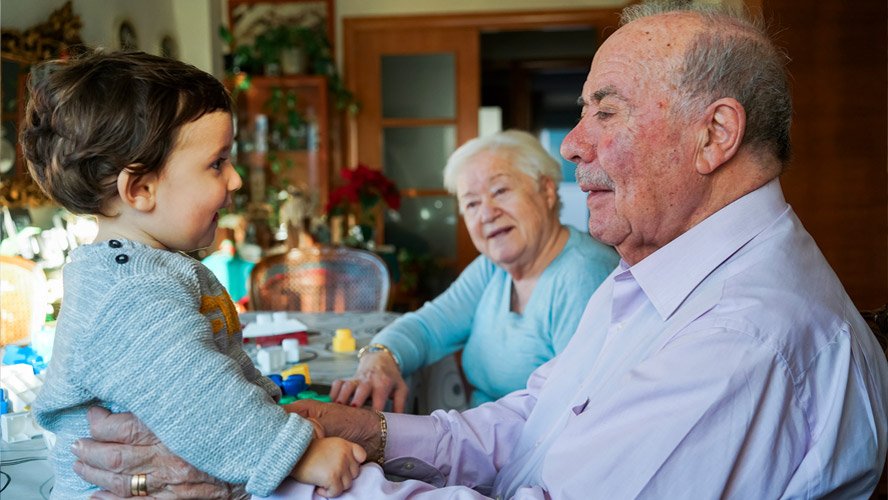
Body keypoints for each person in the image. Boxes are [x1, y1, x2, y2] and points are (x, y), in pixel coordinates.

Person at [70, 2, 888, 498]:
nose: (572, 145)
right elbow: (537, 424)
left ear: (715, 135)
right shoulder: (665, 277)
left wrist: (260, 473)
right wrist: (371, 433)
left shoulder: (742, 338)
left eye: (606, 113)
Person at [22, 50, 365, 499]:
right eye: (217, 163)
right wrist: (300, 455)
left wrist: (274, 415)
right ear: (141, 188)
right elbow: (203, 401)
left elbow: (220, 374)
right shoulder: (130, 292)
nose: (236, 179)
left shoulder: (149, 269)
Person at [331, 129, 619, 411]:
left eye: (501, 191)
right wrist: (379, 357)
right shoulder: (493, 269)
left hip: (527, 453)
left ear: (545, 190)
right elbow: (427, 326)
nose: (486, 213)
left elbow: (573, 414)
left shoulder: (584, 275)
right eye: (471, 203)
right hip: (483, 444)